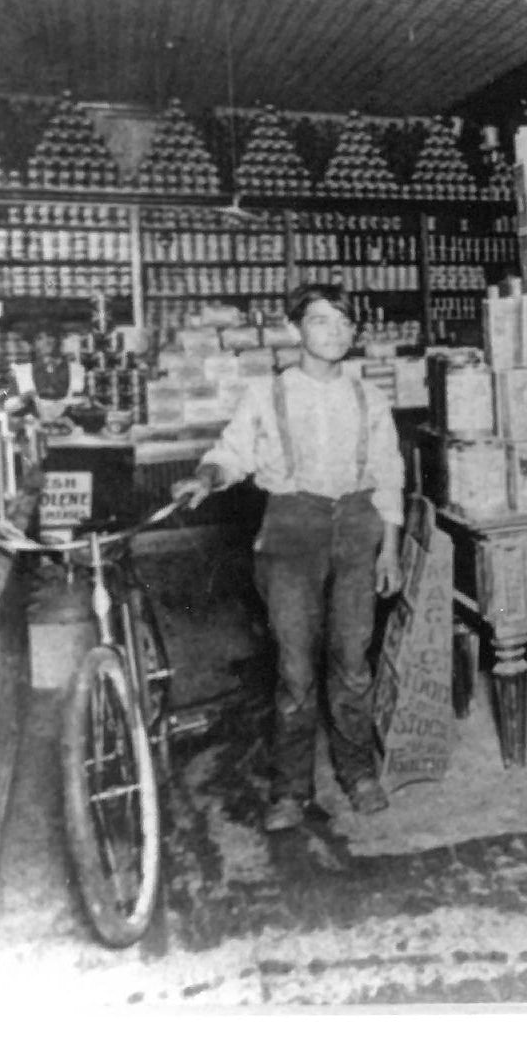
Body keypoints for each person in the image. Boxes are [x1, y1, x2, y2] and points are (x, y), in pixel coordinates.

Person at [173, 284, 404, 830]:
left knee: (352, 662)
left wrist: (388, 550)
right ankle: (290, 788)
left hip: (356, 528)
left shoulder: (369, 398)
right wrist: (206, 477)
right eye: (323, 322)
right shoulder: (266, 396)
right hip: (291, 529)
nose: (336, 334)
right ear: (296, 330)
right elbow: (231, 452)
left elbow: (390, 475)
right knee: (296, 668)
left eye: (346, 324)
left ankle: (358, 773)